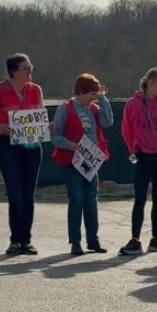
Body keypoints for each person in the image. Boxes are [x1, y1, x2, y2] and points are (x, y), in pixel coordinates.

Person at [0, 53, 44, 256]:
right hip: (9, 147)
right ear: (13, 71)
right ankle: (15, 240)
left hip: (32, 148)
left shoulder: (36, 90)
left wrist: (45, 126)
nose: (29, 71)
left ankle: (26, 240)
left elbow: (39, 115)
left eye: (30, 67)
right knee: (15, 195)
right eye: (25, 68)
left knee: (28, 196)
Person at [51, 73, 113, 256]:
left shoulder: (93, 109)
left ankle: (93, 240)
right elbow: (55, 136)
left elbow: (108, 121)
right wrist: (70, 145)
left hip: (91, 161)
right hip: (72, 161)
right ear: (81, 92)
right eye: (91, 94)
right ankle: (75, 241)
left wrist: (103, 100)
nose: (93, 98)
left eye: (96, 94)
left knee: (91, 201)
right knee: (76, 200)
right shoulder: (65, 108)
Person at [119, 67, 157, 256]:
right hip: (143, 155)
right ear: (150, 83)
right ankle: (135, 239)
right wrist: (134, 149)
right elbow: (127, 129)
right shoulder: (133, 104)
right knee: (140, 198)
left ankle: (155, 239)